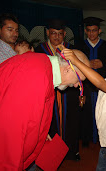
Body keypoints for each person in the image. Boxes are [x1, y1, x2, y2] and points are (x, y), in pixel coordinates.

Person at [0, 49, 89, 170]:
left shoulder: (42, 65)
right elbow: (11, 133)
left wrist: (40, 133)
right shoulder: (36, 76)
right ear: (68, 69)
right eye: (79, 81)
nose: (77, 86)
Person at [35, 19, 81, 160]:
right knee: (50, 123)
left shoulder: (71, 50)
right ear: (48, 33)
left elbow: (79, 72)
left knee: (72, 122)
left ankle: (71, 152)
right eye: (53, 33)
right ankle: (52, 156)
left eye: (60, 34)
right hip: (49, 94)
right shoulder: (39, 50)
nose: (56, 37)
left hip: (70, 94)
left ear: (64, 34)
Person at [74, 16, 106, 144]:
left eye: (94, 30)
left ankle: (101, 138)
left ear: (99, 31)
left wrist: (103, 64)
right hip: (85, 86)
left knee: (103, 111)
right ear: (86, 31)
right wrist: (86, 65)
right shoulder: (79, 46)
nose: (92, 33)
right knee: (85, 112)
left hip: (102, 85)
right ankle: (86, 138)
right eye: (89, 30)